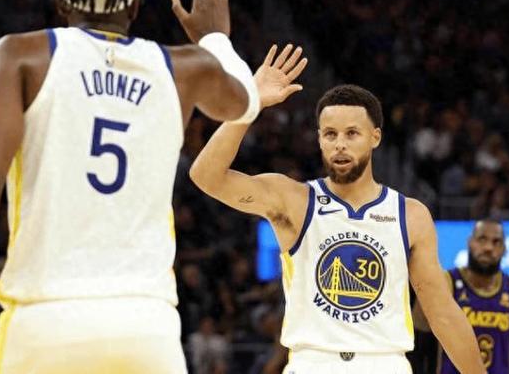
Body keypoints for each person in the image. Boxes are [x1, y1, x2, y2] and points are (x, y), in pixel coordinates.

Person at [0, 0, 301, 374]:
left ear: (61, 0)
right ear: (134, 8)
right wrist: (214, 38)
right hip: (146, 328)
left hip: (46, 321)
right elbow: (243, 101)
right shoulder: (183, 67)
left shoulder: (19, 57)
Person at [189, 58, 487, 374]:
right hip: (313, 363)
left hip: (385, 363)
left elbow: (442, 313)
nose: (340, 145)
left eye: (352, 133)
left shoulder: (410, 214)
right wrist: (251, 103)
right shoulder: (294, 199)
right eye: (330, 134)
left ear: (375, 137)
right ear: (319, 138)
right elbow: (206, 176)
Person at [412, 219, 509, 374]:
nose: (488, 247)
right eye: (482, 239)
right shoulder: (446, 283)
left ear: (504, 249)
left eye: (496, 242)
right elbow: (418, 336)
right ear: (470, 242)